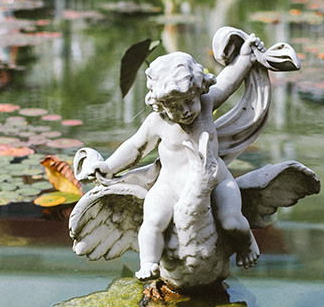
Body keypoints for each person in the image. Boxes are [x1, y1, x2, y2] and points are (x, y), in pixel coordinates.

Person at [79, 41, 261, 279]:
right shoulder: (158, 122)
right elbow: (135, 147)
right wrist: (109, 166)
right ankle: (149, 262)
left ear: (198, 90)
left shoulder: (206, 104)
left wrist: (245, 58)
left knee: (232, 220)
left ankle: (248, 244)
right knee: (153, 221)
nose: (184, 110)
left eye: (188, 100)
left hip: (216, 178)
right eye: (174, 106)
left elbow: (228, 82)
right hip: (169, 184)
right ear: (161, 105)